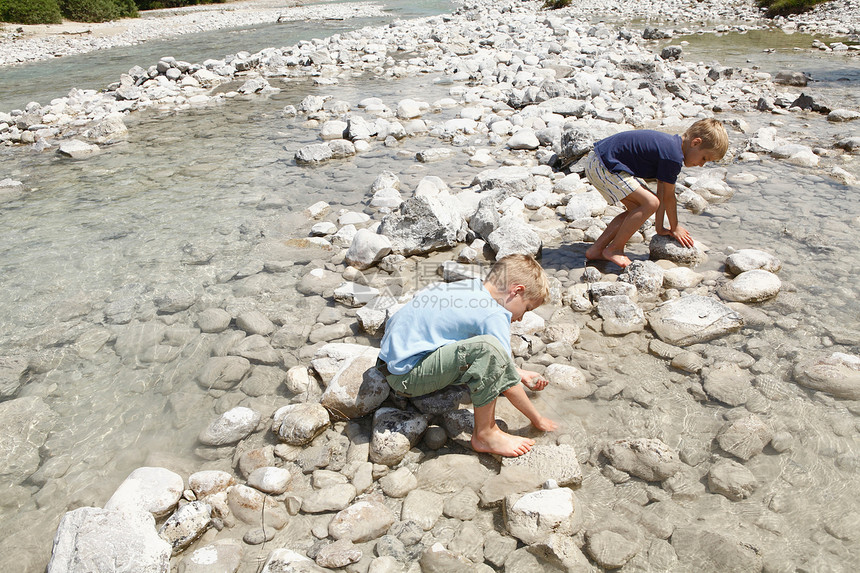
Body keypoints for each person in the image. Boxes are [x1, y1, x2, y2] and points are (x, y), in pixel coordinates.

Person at [377, 254, 558, 457]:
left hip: (387, 361)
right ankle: (485, 434)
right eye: (526, 308)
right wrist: (537, 419)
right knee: (488, 349)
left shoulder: (469, 287)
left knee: (486, 351)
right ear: (516, 291)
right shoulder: (494, 313)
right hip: (405, 378)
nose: (521, 318)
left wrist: (518, 371)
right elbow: (506, 380)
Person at [583, 118, 729, 268]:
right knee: (649, 203)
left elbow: (662, 192)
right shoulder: (673, 156)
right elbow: (669, 198)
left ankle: (596, 250)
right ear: (695, 143)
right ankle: (615, 249)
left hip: (599, 162)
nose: (701, 164)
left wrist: (659, 228)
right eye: (704, 158)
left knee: (639, 207)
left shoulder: (671, 148)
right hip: (604, 165)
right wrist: (675, 227)